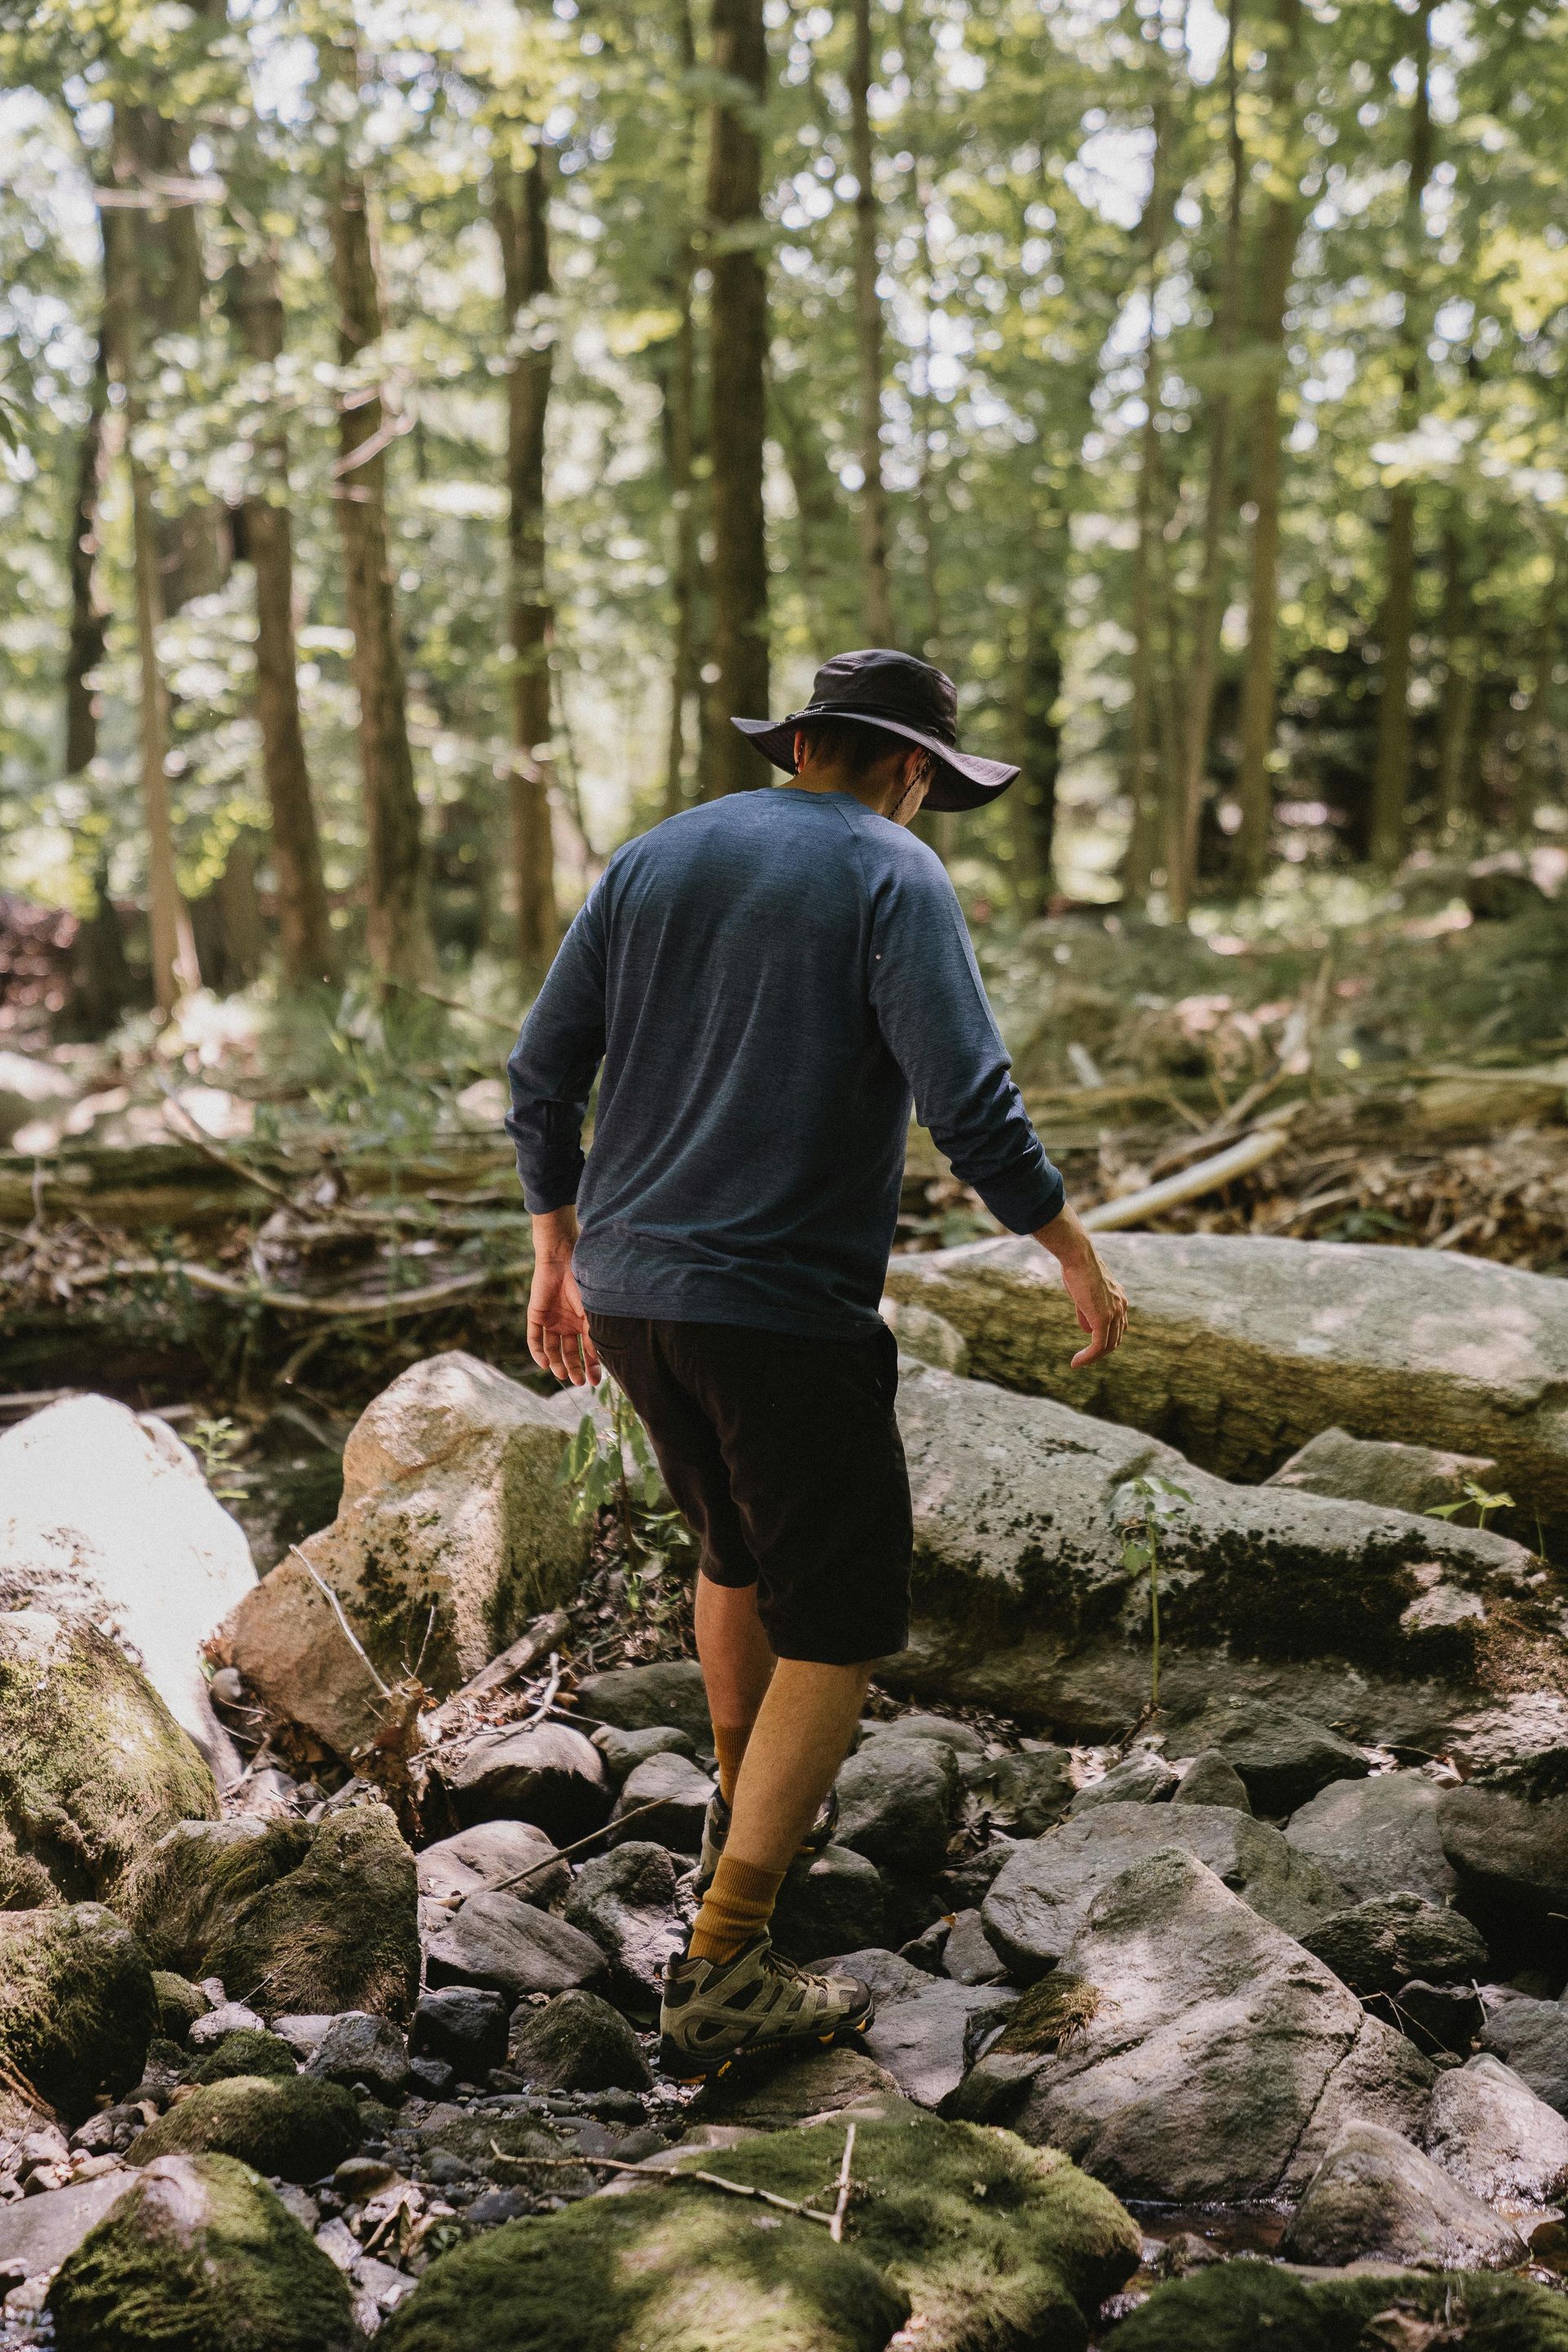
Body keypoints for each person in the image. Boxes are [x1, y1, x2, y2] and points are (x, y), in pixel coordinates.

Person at [506, 647, 1128, 2080]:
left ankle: (748, 1817)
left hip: (636, 1294)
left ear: (799, 744)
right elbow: (970, 1096)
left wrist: (555, 1256)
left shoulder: (655, 858)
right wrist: (1069, 1244)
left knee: (735, 1557)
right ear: (913, 769)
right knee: (840, 1621)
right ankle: (725, 1959)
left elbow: (543, 1072)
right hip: (782, 1307)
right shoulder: (890, 875)